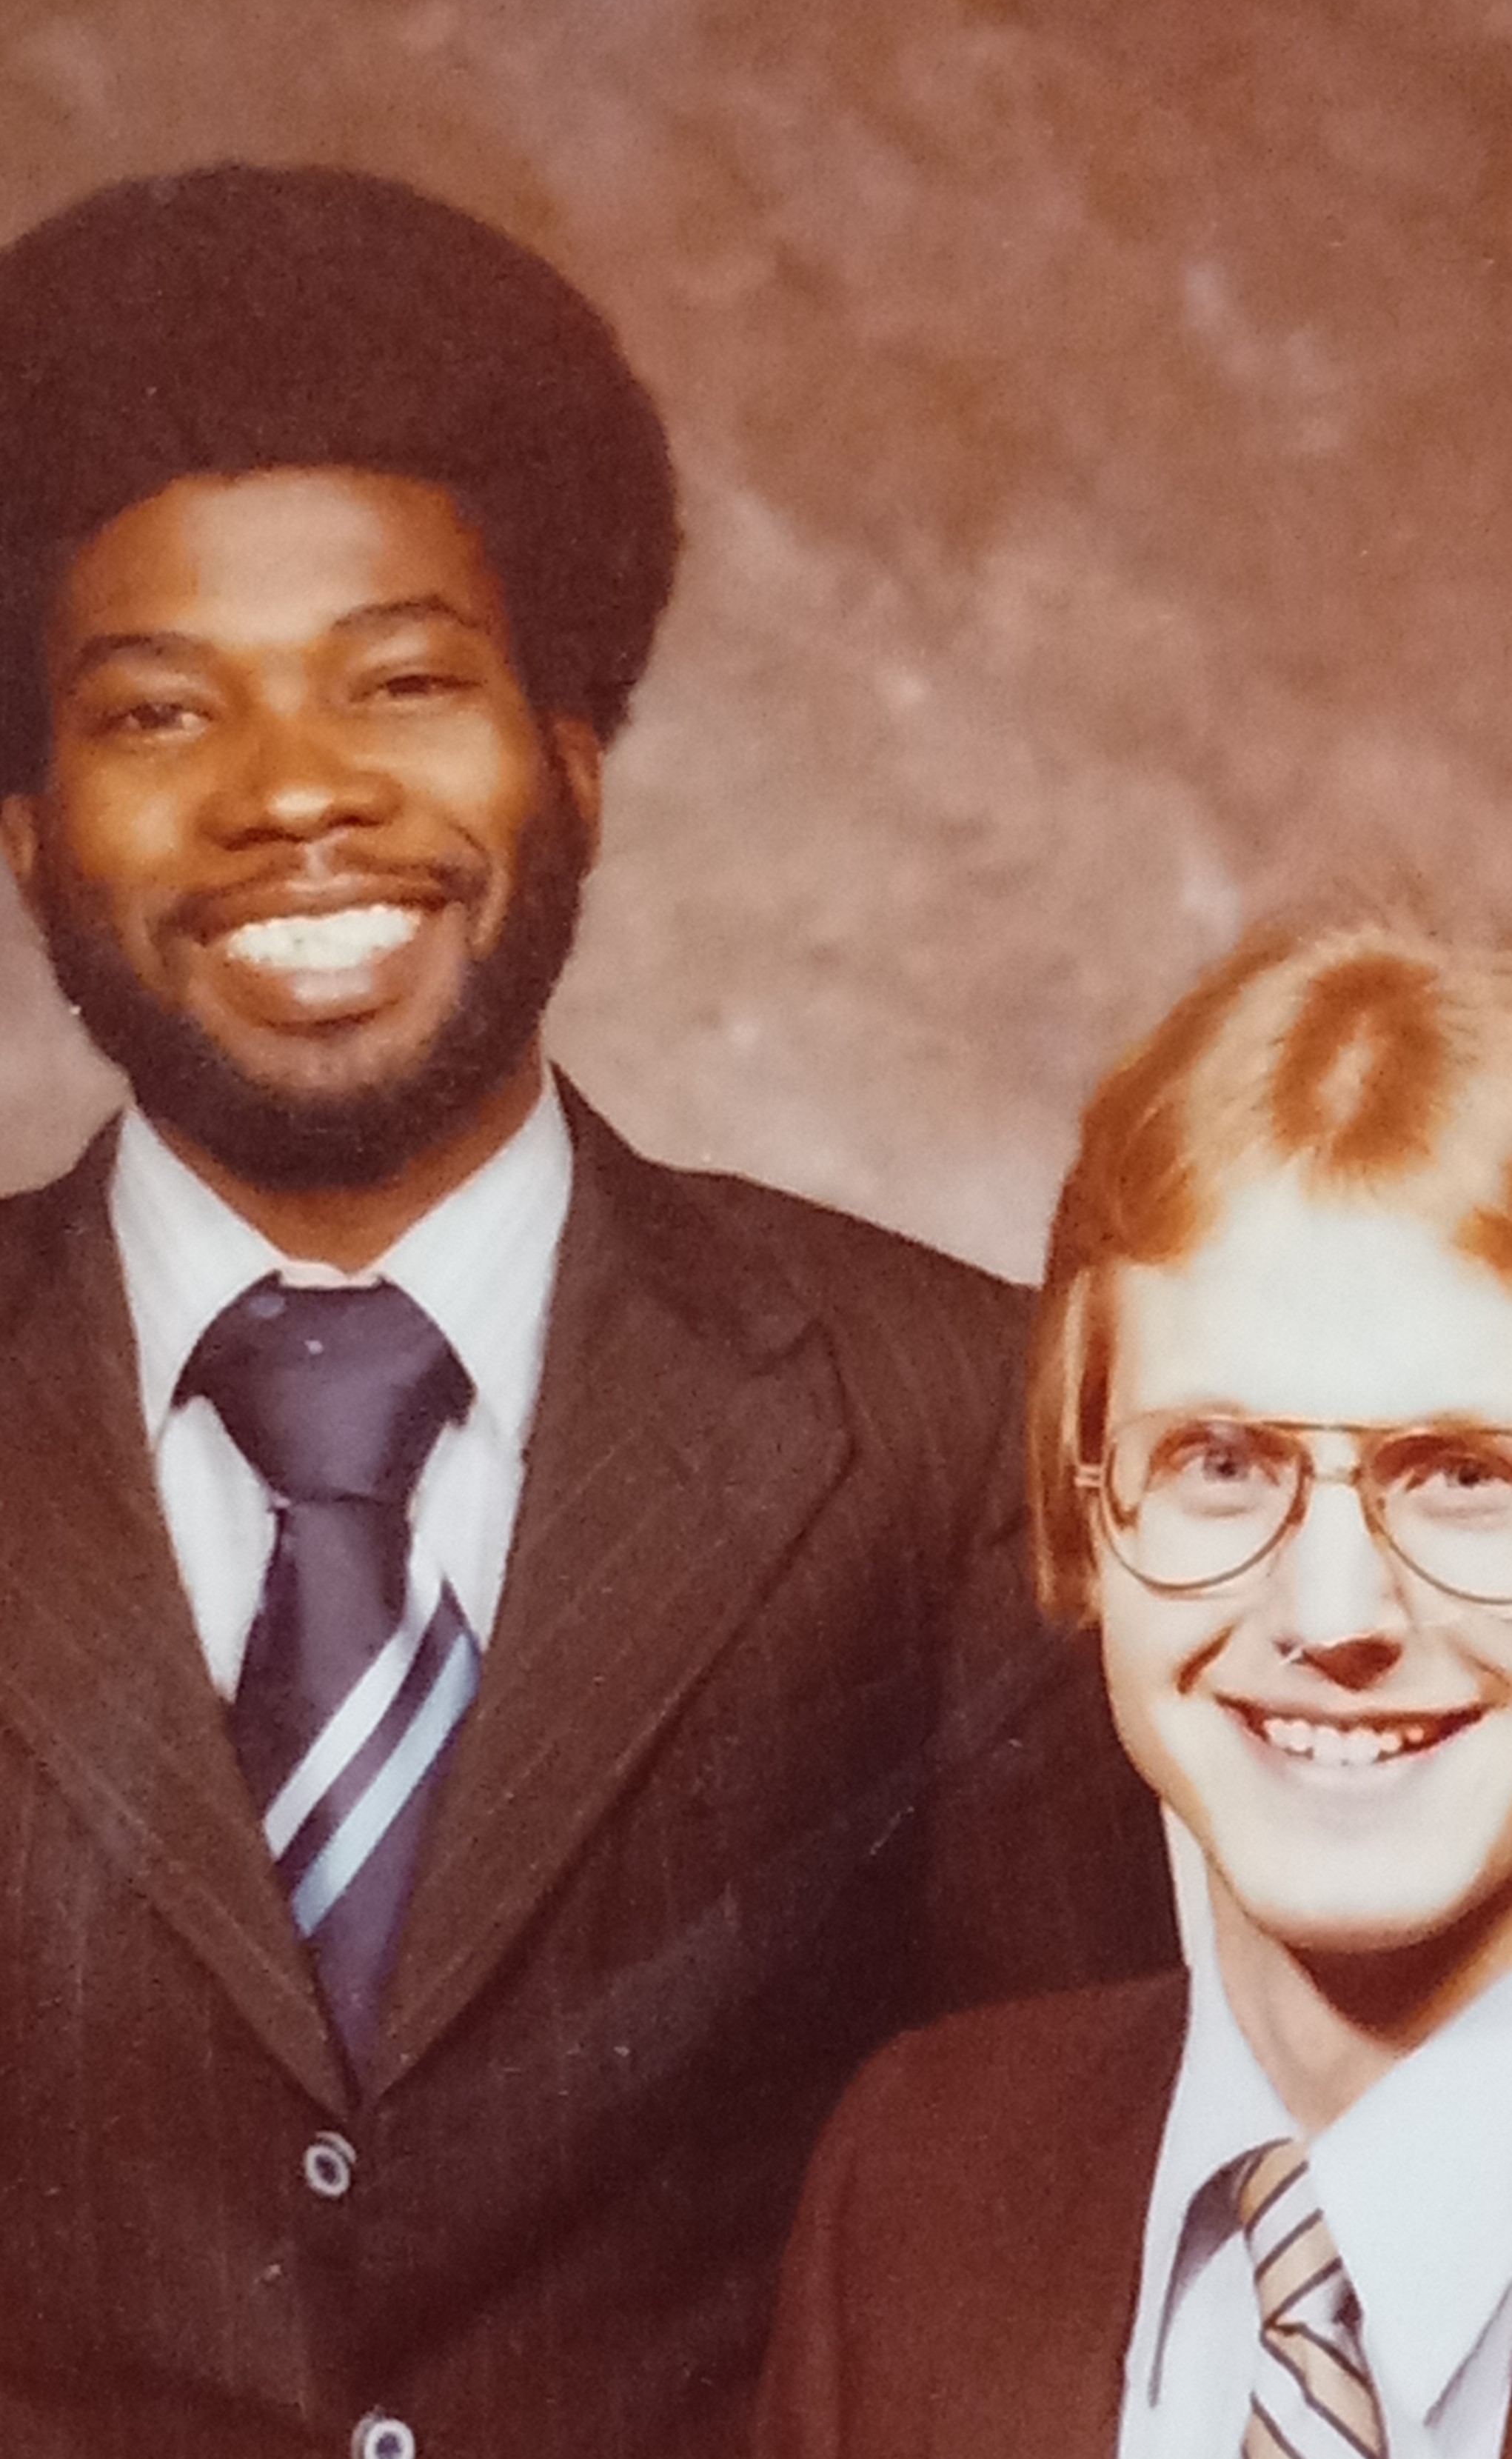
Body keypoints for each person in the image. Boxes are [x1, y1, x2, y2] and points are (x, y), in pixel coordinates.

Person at [0, 166, 1172, 2459]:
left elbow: (1058, 2255)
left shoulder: (947, 1417)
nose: (298, 792)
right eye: (158, 716)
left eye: (406, 681)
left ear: (578, 761)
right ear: (32, 831)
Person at [756, 920, 1512, 2459]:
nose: (1332, 1612)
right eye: (1218, 1465)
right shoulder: (916, 2186)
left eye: (1463, 1478)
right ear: (1077, 1519)